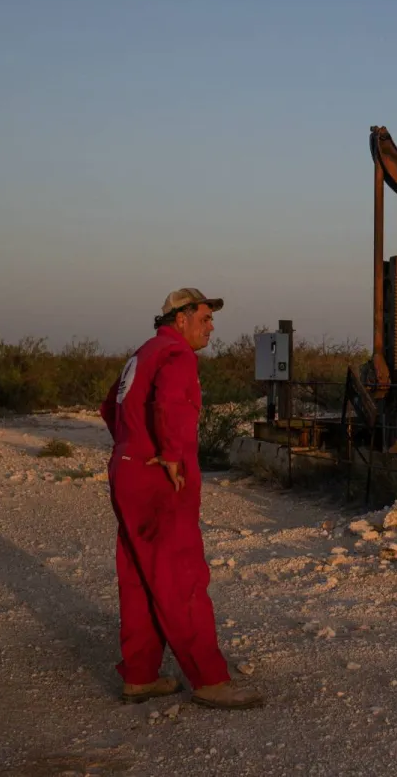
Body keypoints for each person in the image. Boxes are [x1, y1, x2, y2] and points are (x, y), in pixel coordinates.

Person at [99, 288, 263, 710]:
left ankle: (140, 676)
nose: (211, 328)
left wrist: (132, 446)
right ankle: (209, 680)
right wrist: (170, 455)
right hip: (157, 479)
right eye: (205, 319)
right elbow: (171, 404)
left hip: (129, 469)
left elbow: (108, 406)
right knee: (180, 576)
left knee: (139, 577)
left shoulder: (143, 353)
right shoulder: (176, 355)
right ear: (181, 318)